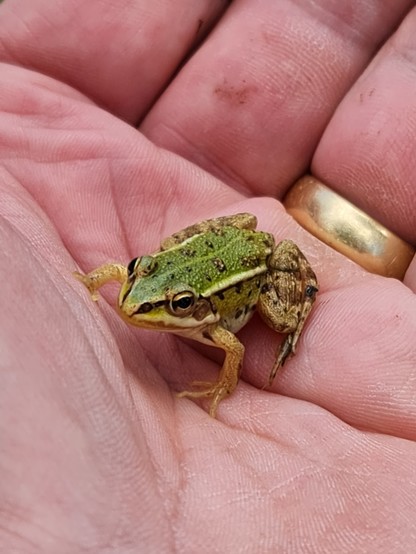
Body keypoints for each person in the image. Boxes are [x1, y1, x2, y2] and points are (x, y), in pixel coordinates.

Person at [0, 1, 415, 552]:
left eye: (173, 305)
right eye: (140, 288)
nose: (134, 307)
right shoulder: (138, 287)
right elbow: (117, 273)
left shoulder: (214, 325)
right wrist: (81, 282)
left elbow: (236, 352)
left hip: (256, 265)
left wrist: (222, 387)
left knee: (278, 314)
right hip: (216, 250)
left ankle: (293, 316)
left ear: (192, 307)